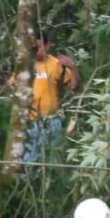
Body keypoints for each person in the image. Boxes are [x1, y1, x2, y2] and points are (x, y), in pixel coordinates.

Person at [22, 32, 78, 162]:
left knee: (52, 161)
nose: (37, 50)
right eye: (34, 47)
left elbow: (73, 86)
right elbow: (11, 86)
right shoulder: (25, 64)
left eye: (40, 46)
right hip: (30, 121)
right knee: (28, 160)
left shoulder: (55, 63)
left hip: (51, 119)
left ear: (48, 46)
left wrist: (72, 67)